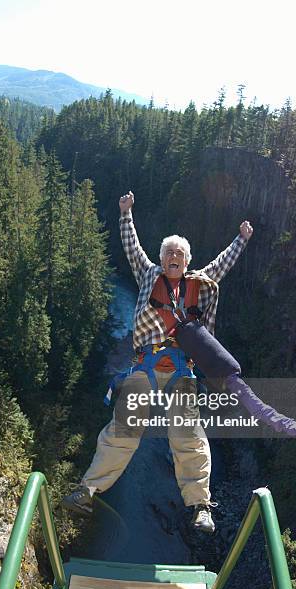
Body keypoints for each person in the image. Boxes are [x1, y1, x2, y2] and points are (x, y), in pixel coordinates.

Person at [62, 191, 253, 533]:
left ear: (187, 260)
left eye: (179, 254)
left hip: (182, 367)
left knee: (188, 434)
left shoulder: (200, 283)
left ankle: (200, 505)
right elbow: (132, 247)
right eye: (168, 253)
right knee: (123, 429)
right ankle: (86, 491)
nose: (173, 257)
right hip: (147, 363)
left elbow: (223, 264)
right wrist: (125, 213)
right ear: (162, 260)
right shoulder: (149, 275)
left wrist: (241, 238)